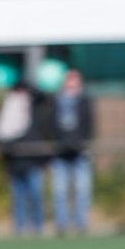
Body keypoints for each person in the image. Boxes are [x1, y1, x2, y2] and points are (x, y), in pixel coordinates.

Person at [0, 81, 49, 235]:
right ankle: (19, 227)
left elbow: (43, 97)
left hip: (32, 159)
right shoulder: (7, 110)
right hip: (14, 161)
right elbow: (2, 135)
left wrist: (30, 89)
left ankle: (38, 226)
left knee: (35, 194)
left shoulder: (32, 107)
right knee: (18, 197)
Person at [49, 68, 95, 235]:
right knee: (60, 192)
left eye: (75, 83)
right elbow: (51, 125)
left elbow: (90, 125)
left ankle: (81, 224)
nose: (72, 86)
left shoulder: (85, 101)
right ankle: (61, 225)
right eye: (69, 82)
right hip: (61, 153)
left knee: (82, 191)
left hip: (80, 153)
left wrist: (83, 144)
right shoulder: (56, 102)